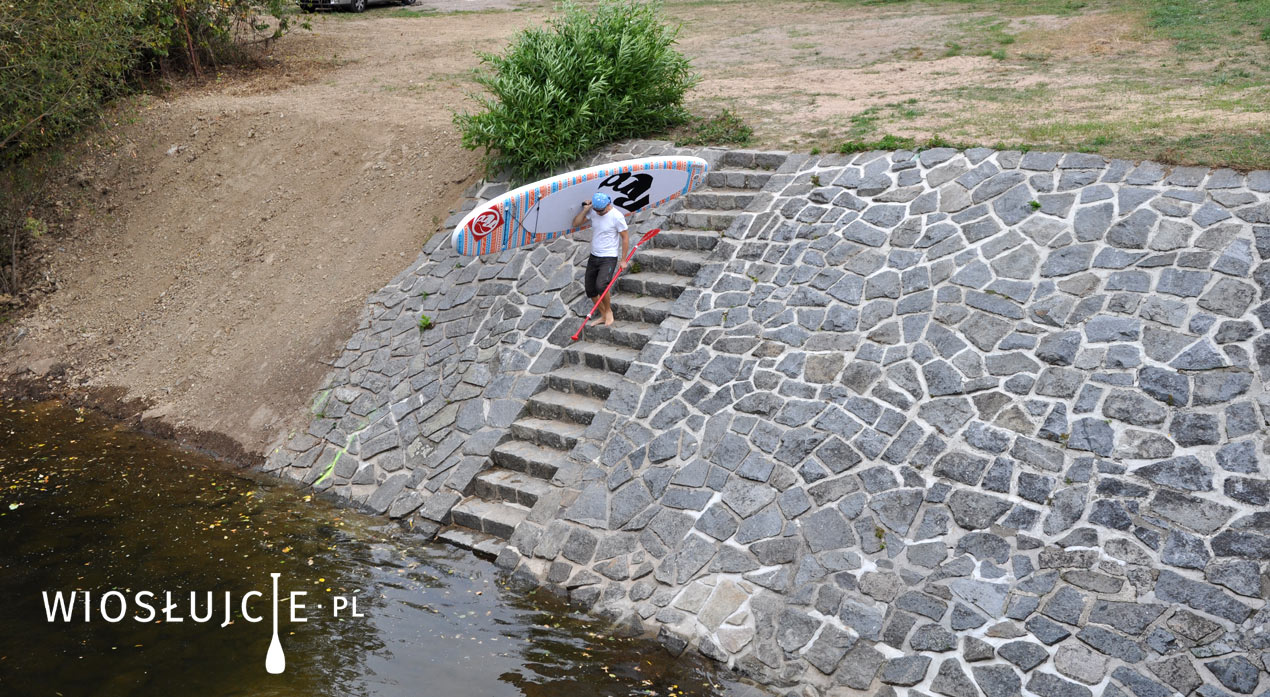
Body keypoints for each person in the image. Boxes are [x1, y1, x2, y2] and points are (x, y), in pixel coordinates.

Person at [572, 192, 629, 327]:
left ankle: (609, 311)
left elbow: (625, 238)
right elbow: (575, 223)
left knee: (601, 286)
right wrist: (586, 210)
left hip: (609, 257)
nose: (598, 213)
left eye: (600, 211)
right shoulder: (594, 212)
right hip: (594, 256)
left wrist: (623, 259)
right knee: (590, 290)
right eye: (596, 210)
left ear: (608, 205)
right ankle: (603, 315)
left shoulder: (617, 216)